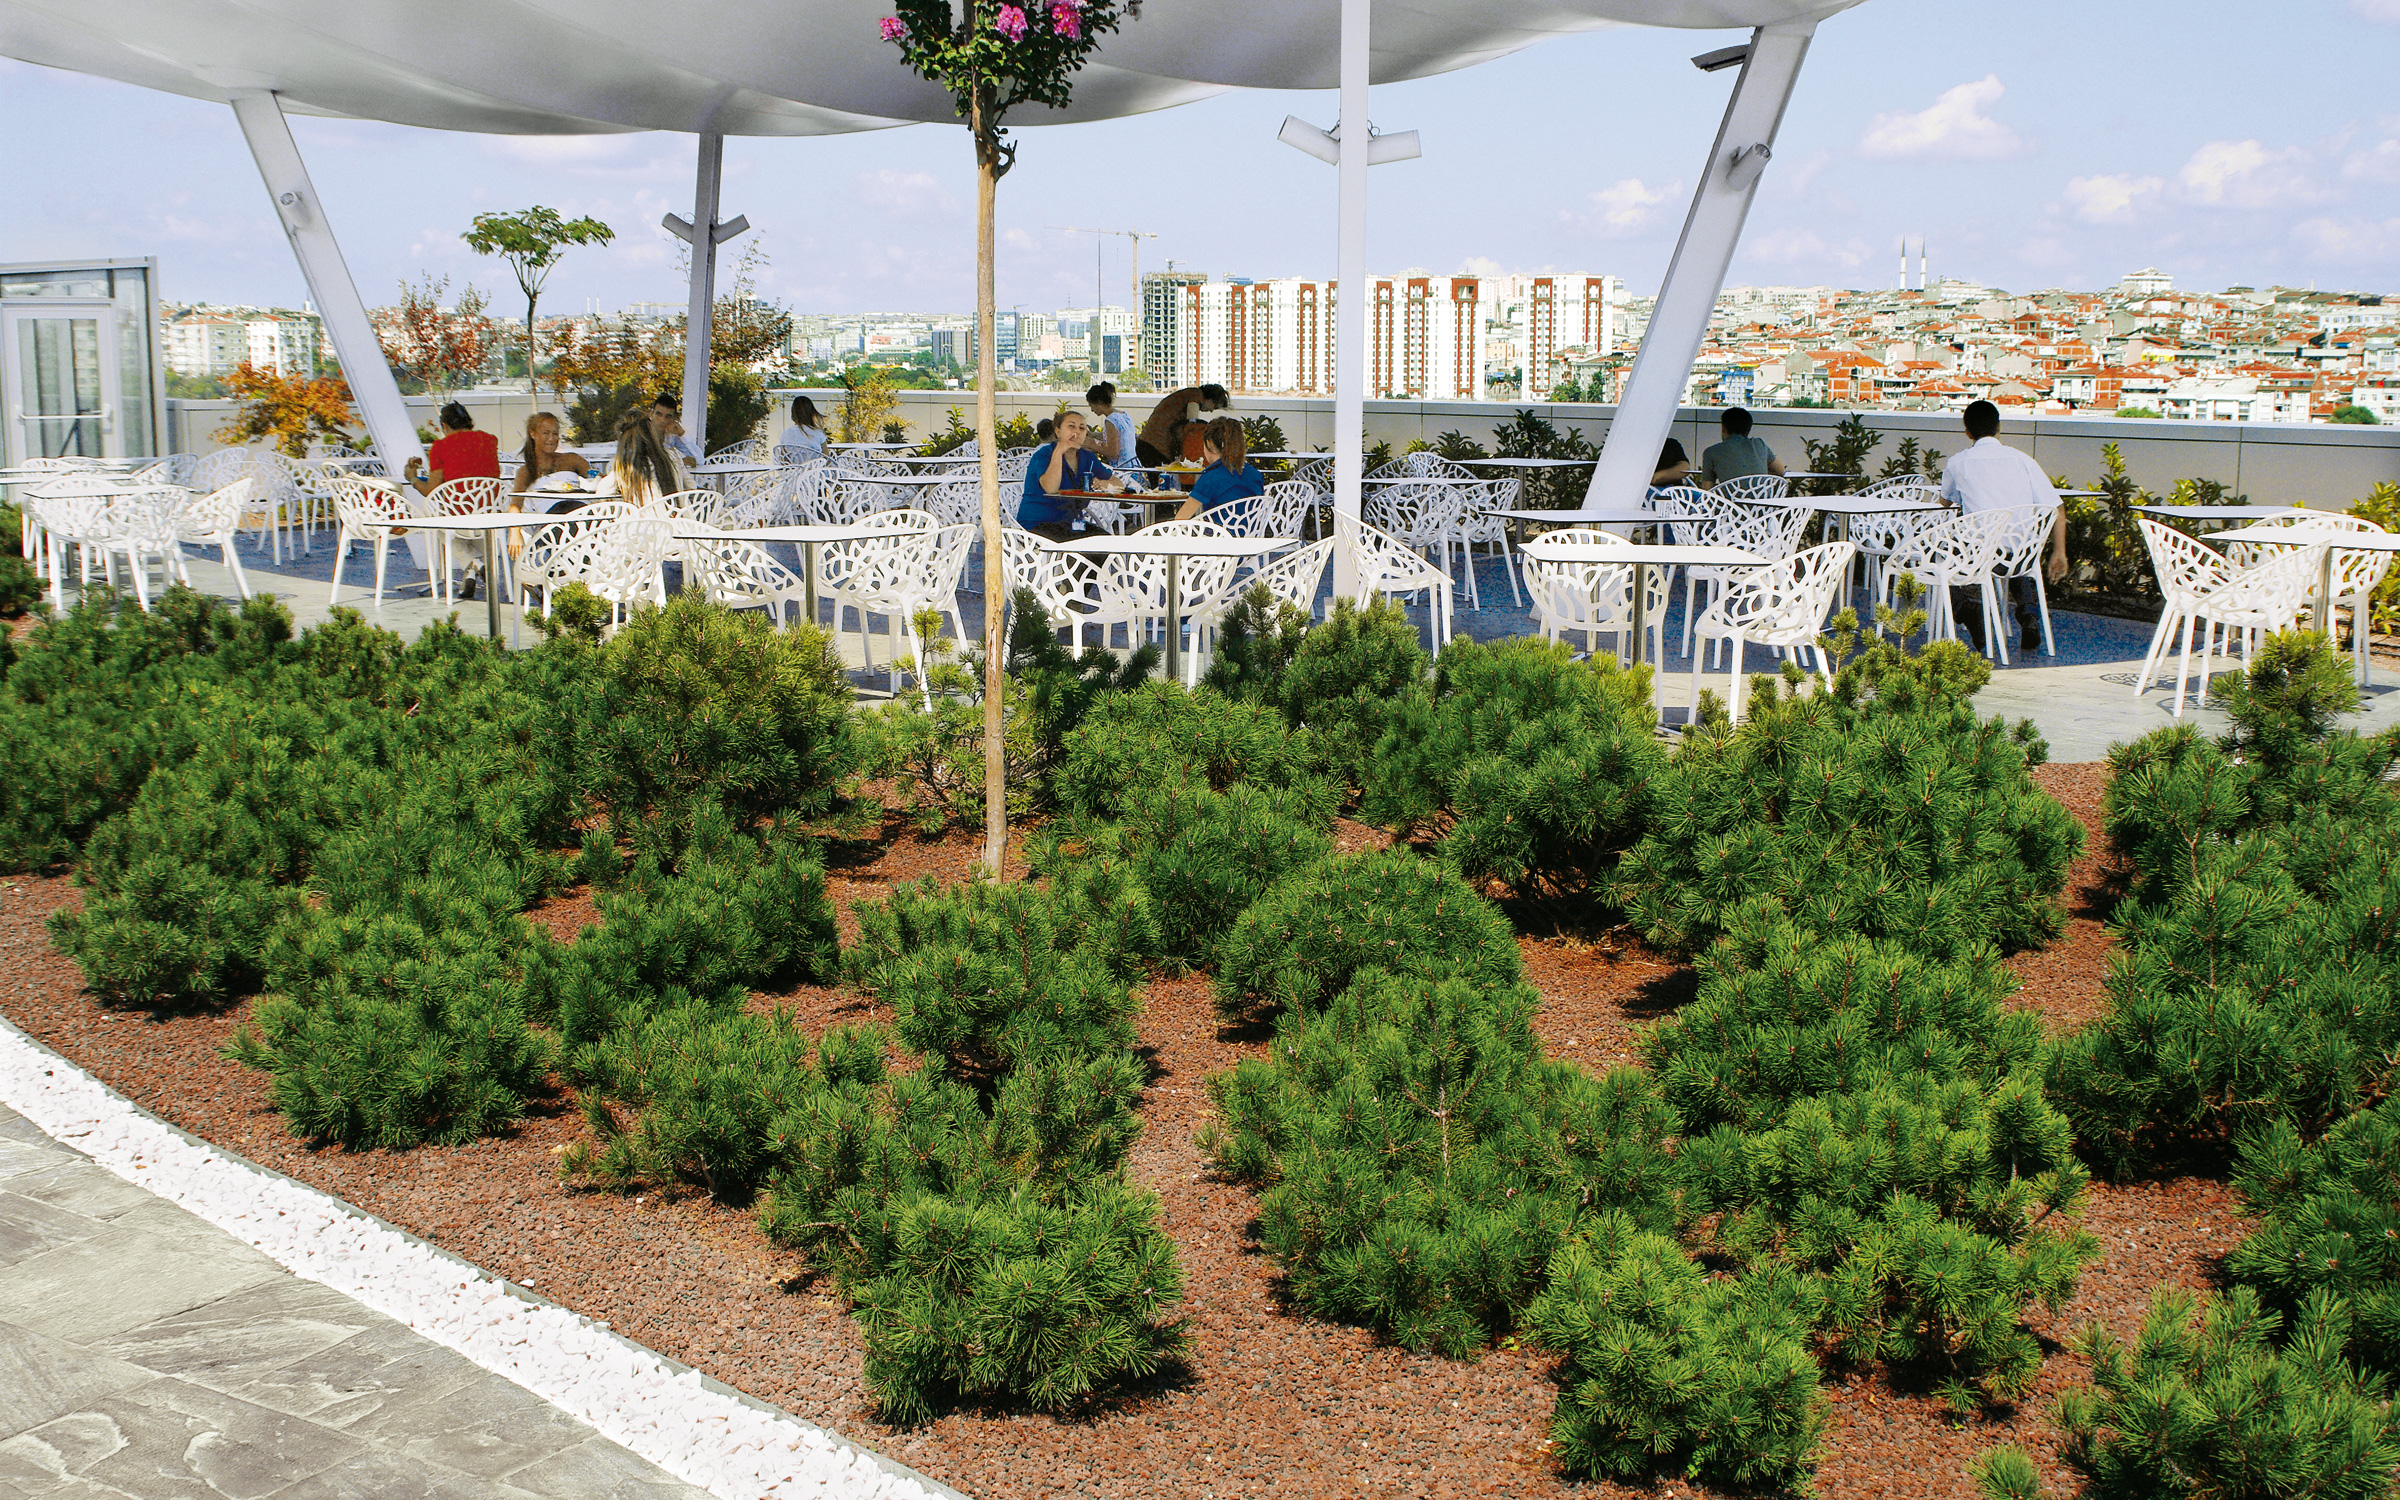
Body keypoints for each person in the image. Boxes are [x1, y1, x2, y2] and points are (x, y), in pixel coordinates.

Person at [1940, 399, 2068, 654]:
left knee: (1938, 557)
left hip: (1982, 558)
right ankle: (2029, 615)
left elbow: (1944, 502)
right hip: (2024, 557)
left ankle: (1967, 609)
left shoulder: (1958, 463)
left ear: (1967, 432)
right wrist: (2058, 552)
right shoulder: (2023, 460)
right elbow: (2057, 508)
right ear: (1999, 427)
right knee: (2012, 543)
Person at [403, 402, 502, 597]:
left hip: (460, 518)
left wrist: (413, 479)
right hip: (490, 515)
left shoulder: (440, 447)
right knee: (470, 527)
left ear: (445, 426)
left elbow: (431, 491)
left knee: (437, 523)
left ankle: (474, 564)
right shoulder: (490, 440)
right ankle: (471, 574)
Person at [1019, 409, 1114, 541]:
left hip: (1071, 525)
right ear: (1058, 431)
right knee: (1083, 548)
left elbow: (1118, 484)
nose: (1076, 432)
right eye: (1071, 426)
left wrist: (1105, 484)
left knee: (1107, 541)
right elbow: (1051, 488)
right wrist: (1059, 452)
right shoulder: (1044, 455)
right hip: (1037, 524)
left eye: (1082, 428)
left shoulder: (1087, 457)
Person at [1176, 417, 1265, 521]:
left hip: (1218, 535)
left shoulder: (1210, 477)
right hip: (1249, 535)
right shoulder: (1255, 475)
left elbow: (1181, 518)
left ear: (1208, 443)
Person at [599, 409, 685, 507]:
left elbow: (602, 494)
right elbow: (691, 487)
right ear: (651, 433)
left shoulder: (627, 466)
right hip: (679, 518)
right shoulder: (672, 457)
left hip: (644, 520)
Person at [1135, 382, 1229, 469]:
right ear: (1210, 398)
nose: (1211, 410)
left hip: (1148, 444)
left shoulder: (1185, 395)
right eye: (1214, 406)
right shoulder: (1195, 395)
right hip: (1155, 446)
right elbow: (1193, 425)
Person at [512, 412, 590, 511]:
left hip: (581, 513)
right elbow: (515, 506)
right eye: (545, 433)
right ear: (533, 434)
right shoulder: (526, 471)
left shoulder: (572, 460)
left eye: (555, 434)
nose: (551, 439)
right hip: (553, 518)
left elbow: (595, 478)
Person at [1698, 407, 1784, 487]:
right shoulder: (1760, 444)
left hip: (1730, 502)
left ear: (1723, 428)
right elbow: (1780, 470)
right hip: (1763, 501)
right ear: (1749, 429)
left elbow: (1707, 489)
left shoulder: (1711, 452)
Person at [1088, 382, 1139, 475]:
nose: (1092, 410)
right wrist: (1092, 435)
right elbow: (1119, 437)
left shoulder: (1110, 420)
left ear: (1098, 403)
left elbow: (1113, 452)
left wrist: (1092, 444)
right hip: (1135, 467)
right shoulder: (1124, 415)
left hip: (1122, 471)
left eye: (1092, 405)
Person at [650, 391, 703, 466]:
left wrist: (682, 433)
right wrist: (678, 462)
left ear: (673, 418)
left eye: (668, 416)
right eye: (659, 414)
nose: (662, 420)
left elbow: (700, 460)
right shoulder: (641, 432)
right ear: (651, 414)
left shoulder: (671, 436)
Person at [777, 396, 826, 465]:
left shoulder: (785, 433)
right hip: (815, 473)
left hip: (794, 473)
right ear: (811, 413)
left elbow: (784, 460)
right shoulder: (818, 433)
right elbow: (826, 458)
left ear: (793, 413)